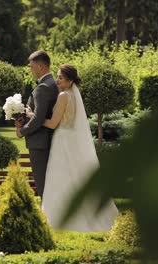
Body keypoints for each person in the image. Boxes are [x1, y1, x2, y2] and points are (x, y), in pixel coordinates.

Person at [36, 64, 118, 231]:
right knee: (73, 177)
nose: (57, 81)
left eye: (60, 78)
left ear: (70, 80)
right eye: (57, 77)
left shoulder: (63, 96)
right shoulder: (74, 95)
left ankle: (56, 218)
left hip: (62, 141)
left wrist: (33, 117)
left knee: (59, 178)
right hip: (71, 139)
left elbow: (52, 124)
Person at [15, 51, 59, 199]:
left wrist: (23, 131)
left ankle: (47, 218)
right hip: (46, 141)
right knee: (48, 183)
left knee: (43, 184)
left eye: (31, 66)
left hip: (39, 142)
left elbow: (39, 118)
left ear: (40, 66)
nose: (30, 69)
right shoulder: (52, 83)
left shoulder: (43, 87)